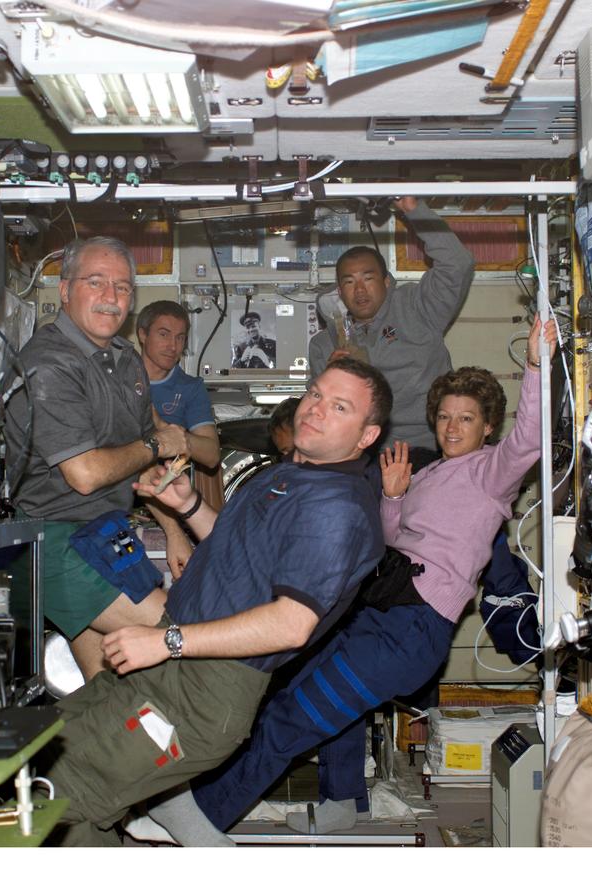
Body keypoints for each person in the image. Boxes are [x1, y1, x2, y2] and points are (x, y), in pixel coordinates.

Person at [176, 316, 558, 842]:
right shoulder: (425, 471)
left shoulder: (491, 472)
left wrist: (536, 364)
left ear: (487, 425)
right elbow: (390, 538)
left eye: (465, 419)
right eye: (444, 416)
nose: (451, 428)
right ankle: (343, 801)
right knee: (288, 706)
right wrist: (395, 495)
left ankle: (194, 826)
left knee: (290, 724)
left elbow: (529, 442)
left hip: (412, 629)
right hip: (384, 608)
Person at [41, 358, 392, 847]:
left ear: (366, 435)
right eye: (315, 394)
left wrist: (167, 641)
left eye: (340, 407)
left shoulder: (337, 509)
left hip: (201, 694)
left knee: (60, 798)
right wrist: (187, 505)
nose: (315, 410)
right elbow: (236, 552)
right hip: (167, 666)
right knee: (41, 763)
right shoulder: (289, 475)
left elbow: (291, 624)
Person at [3, 236, 187, 679]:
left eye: (122, 287)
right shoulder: (48, 364)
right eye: (96, 282)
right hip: (53, 541)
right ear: (65, 290)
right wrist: (160, 444)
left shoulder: (125, 360)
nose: (111, 298)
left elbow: (143, 458)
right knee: (178, 638)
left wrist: (174, 530)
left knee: (108, 688)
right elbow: (86, 474)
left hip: (105, 534)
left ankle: (90, 748)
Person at [310, 196, 476, 454]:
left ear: (387, 281)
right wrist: (331, 379)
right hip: (365, 454)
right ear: (340, 292)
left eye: (368, 278)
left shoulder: (417, 307)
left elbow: (457, 263)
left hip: (433, 445)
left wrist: (413, 209)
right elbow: (317, 415)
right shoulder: (324, 345)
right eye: (350, 283)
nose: (360, 290)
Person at [135, 300, 222, 577]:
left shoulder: (189, 388)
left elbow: (210, 454)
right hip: (120, 504)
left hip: (173, 503)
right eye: (163, 334)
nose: (173, 345)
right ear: (142, 334)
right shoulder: (118, 380)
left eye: (180, 337)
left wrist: (174, 436)